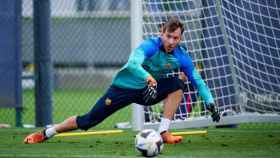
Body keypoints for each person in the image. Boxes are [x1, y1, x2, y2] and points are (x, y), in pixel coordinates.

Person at [24, 16, 220, 145]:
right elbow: (133, 65)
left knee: (178, 84)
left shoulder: (181, 56)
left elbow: (197, 80)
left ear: (180, 38)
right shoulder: (149, 46)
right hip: (123, 89)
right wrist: (148, 77)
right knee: (88, 121)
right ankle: (48, 132)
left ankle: (163, 133)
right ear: (162, 32)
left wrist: (210, 101)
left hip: (148, 91)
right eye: (168, 36)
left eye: (176, 38)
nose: (171, 42)